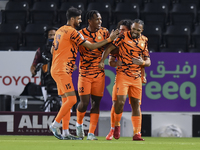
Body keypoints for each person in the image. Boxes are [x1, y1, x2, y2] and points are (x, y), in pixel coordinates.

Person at [49, 7, 119, 140]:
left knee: (66, 101)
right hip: (64, 70)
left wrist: (65, 59)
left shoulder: (60, 30)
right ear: (72, 19)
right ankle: (55, 124)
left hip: (60, 68)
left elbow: (53, 50)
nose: (80, 21)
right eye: (78, 18)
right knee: (72, 100)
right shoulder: (73, 32)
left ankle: (65, 132)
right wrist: (110, 39)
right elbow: (91, 46)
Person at [99, 19, 151, 141]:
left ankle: (137, 133)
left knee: (136, 105)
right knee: (119, 102)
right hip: (123, 75)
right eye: (133, 29)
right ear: (131, 28)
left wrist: (142, 63)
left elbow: (148, 60)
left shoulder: (144, 40)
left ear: (141, 31)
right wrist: (103, 61)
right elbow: (109, 49)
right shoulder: (122, 38)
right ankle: (116, 126)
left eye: (138, 30)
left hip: (136, 77)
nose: (135, 31)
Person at [75, 10, 110, 140]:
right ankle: (79, 125)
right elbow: (75, 49)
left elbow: (110, 47)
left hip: (99, 74)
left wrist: (103, 60)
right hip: (84, 73)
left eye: (100, 19)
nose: (100, 22)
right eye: (97, 19)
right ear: (89, 21)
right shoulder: (81, 34)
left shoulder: (105, 32)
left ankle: (91, 133)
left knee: (96, 103)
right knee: (84, 103)